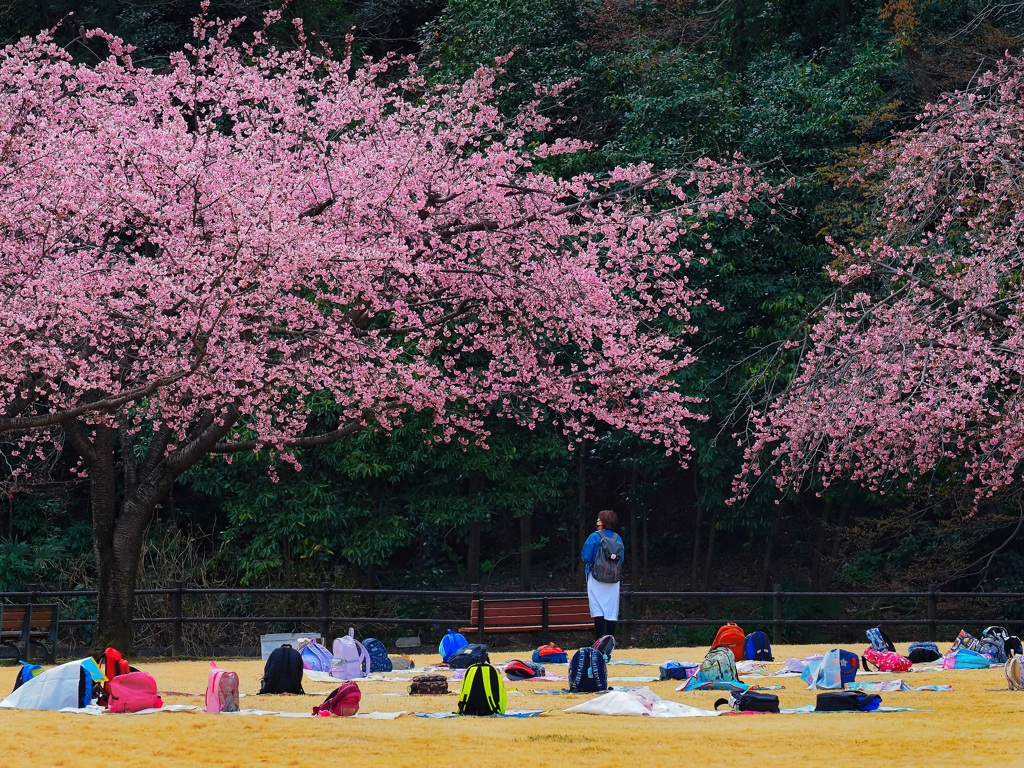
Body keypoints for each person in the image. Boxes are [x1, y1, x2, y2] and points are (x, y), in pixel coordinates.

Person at [581, 509, 624, 639]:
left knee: (597, 610)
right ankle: (610, 643)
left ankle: (598, 642)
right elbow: (621, 559)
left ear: (603, 522)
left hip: (596, 577)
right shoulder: (618, 538)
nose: (597, 521)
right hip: (613, 579)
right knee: (611, 611)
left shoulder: (594, 537)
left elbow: (586, 556)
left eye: (599, 519)